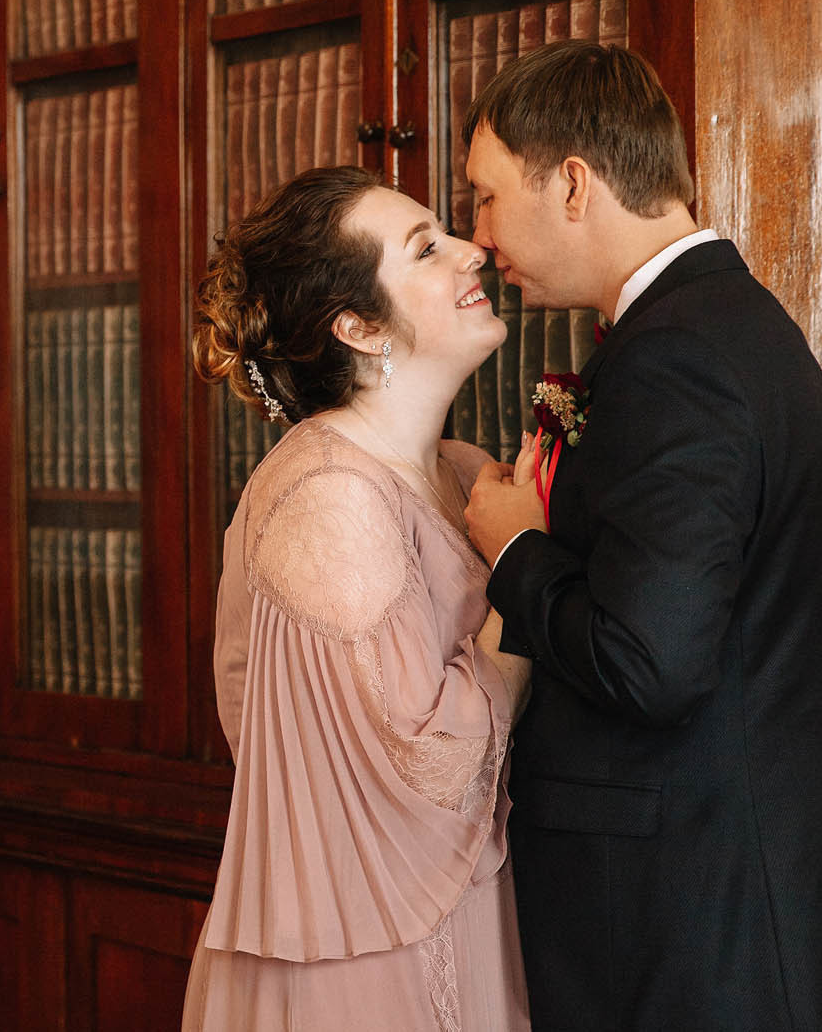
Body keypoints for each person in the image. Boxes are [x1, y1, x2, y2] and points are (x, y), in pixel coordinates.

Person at [461, 40, 822, 1029]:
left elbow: (649, 662)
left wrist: (516, 549)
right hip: (724, 913)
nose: (478, 235)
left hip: (702, 937)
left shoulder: (677, 357)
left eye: (486, 197)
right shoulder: (717, 324)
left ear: (572, 183)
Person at [183, 165, 534, 1031]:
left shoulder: (461, 472)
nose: (472, 250)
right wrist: (528, 570)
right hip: (364, 952)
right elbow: (431, 758)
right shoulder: (326, 495)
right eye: (426, 248)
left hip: (466, 905)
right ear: (359, 326)